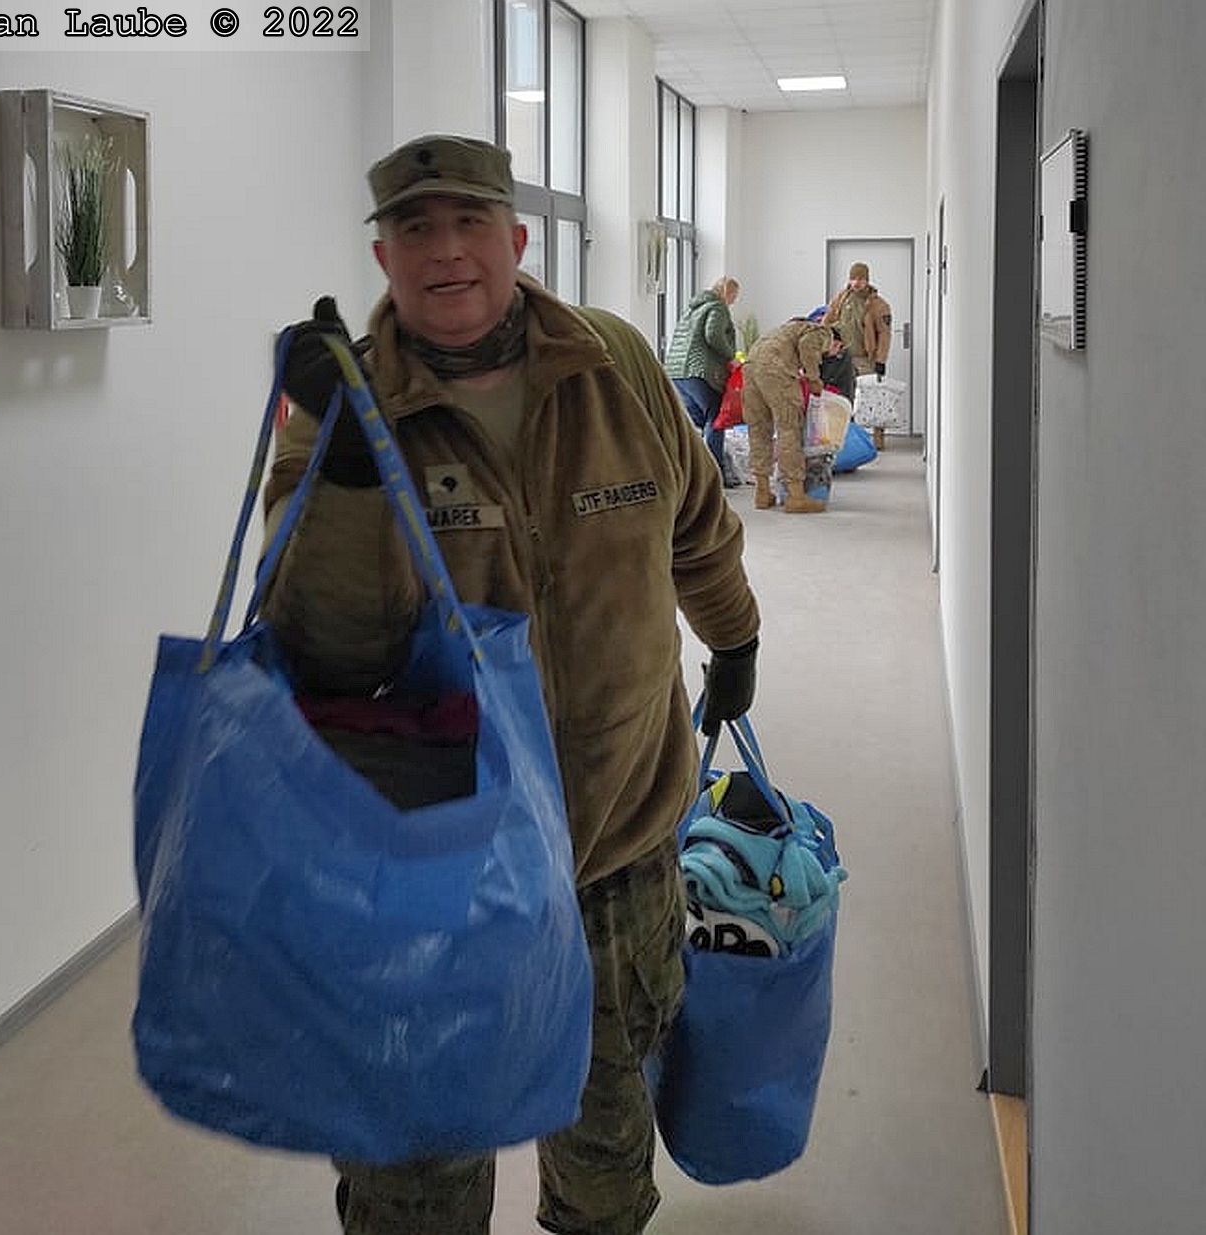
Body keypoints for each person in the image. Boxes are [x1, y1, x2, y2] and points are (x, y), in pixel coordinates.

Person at [262, 134, 761, 1235]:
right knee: (416, 1184)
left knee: (605, 1170)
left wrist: (734, 638)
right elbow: (322, 641)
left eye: (470, 222)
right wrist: (348, 468)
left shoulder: (614, 365)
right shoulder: (344, 407)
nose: (446, 251)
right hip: (426, 873)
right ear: (383, 255)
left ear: (518, 239)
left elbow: (695, 526)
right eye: (416, 229)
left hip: (613, 851)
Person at [742, 318, 846, 514]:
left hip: (751, 367)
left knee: (759, 430)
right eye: (838, 350)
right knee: (789, 429)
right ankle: (796, 497)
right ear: (836, 342)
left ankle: (762, 493)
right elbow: (808, 346)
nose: (834, 354)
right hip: (775, 369)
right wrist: (814, 379)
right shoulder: (822, 332)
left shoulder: (787, 329)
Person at [663, 276, 742, 487]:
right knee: (716, 418)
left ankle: (691, 473)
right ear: (727, 292)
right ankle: (715, 476)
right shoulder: (718, 307)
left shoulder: (692, 309)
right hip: (699, 371)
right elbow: (713, 334)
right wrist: (731, 356)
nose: (734, 301)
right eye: (734, 296)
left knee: (696, 423)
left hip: (676, 372)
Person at [823, 261, 893, 448]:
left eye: (860, 279)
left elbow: (884, 334)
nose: (856, 283)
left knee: (872, 398)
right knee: (844, 398)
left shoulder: (878, 305)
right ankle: (844, 438)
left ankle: (878, 440)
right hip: (842, 357)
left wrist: (881, 360)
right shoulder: (841, 298)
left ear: (867, 280)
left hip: (865, 358)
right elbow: (827, 320)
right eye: (853, 278)